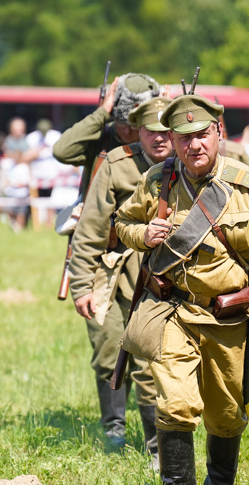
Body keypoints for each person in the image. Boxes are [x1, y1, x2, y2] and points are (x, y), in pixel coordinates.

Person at [114, 95, 249, 485]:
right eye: (183, 138)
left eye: (201, 135)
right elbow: (120, 223)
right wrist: (143, 234)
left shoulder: (245, 186)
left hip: (227, 318)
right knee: (175, 405)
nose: (193, 145)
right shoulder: (158, 181)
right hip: (172, 311)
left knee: (227, 415)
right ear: (171, 140)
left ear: (218, 135)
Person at [68, 97, 174, 463]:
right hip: (114, 271)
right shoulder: (116, 164)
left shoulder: (189, 166)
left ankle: (157, 448)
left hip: (166, 277)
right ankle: (114, 427)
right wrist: (81, 284)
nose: (159, 138)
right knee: (108, 346)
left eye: (165, 131)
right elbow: (90, 229)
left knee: (151, 361)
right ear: (136, 131)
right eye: (150, 130)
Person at [53, 73, 160, 201]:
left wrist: (161, 122)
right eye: (121, 123)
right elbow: (61, 151)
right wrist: (101, 114)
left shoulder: (157, 146)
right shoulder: (101, 139)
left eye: (133, 126)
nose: (127, 131)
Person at [26, 119, 63, 227]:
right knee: (35, 201)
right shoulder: (32, 138)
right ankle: (36, 224)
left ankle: (48, 224)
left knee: (50, 201)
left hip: (52, 174)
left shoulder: (55, 136)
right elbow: (27, 156)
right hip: (36, 174)